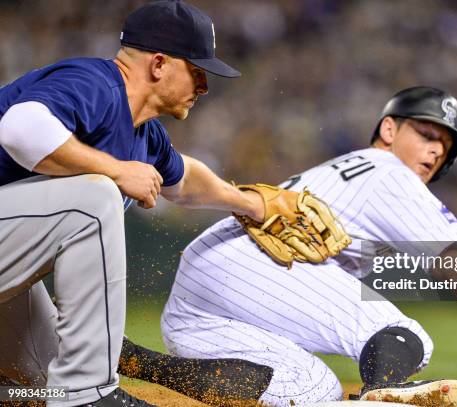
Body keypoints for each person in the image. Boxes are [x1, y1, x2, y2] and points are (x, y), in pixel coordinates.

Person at [119, 86, 457, 407]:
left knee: (313, 392)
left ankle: (130, 358)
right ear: (389, 129)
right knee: (405, 335)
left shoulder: (353, 169)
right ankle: (382, 395)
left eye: (446, 145)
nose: (437, 149)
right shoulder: (388, 171)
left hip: (204, 285)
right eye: (426, 132)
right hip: (252, 263)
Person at [0, 1, 324, 405]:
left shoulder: (143, 134)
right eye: (197, 70)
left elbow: (183, 180)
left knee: (44, 385)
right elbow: (18, 127)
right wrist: (117, 170)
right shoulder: (96, 83)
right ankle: (87, 396)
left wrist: (249, 204)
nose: (204, 86)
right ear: (158, 64)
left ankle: (67, 391)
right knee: (95, 194)